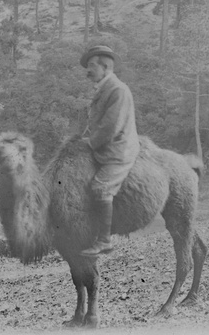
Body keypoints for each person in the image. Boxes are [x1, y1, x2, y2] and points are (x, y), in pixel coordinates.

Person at [79, 45, 140, 257]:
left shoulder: (118, 90)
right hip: (105, 146)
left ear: (106, 67)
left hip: (118, 150)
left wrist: (90, 143)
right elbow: (96, 122)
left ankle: (104, 241)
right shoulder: (103, 88)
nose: (88, 70)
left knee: (100, 188)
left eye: (92, 65)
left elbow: (110, 126)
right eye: (87, 66)